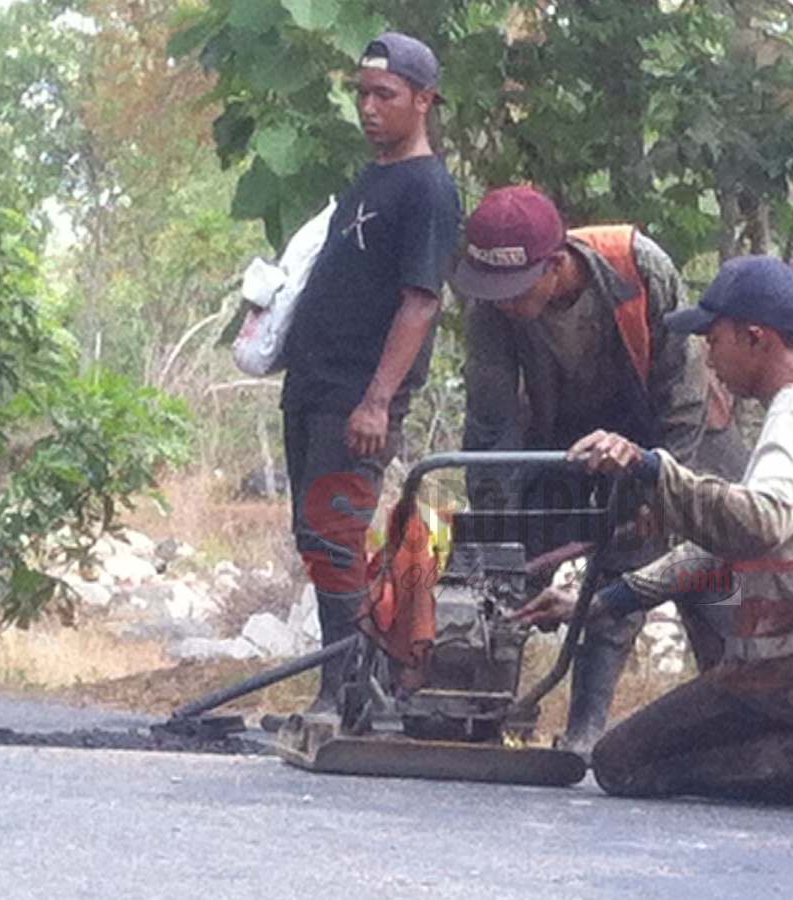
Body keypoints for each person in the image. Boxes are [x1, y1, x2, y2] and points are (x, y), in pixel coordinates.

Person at [509, 255, 793, 814]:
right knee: (706, 608)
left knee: (619, 763)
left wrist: (653, 471)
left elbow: (759, 522)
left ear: (754, 337)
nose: (707, 357)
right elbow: (714, 553)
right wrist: (593, 602)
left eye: (714, 339)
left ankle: (791, 760)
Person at [451, 186, 749, 752]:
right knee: (497, 567)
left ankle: (725, 725)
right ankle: (478, 711)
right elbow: (490, 423)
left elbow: (681, 397)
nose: (503, 303)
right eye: (492, 292)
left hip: (670, 428)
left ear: (557, 264)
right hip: (563, 436)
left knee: (705, 571)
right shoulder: (491, 303)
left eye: (515, 291)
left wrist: (662, 490)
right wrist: (500, 529)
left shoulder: (638, 267)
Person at [279, 32, 461, 712]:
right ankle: (350, 685)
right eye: (362, 93)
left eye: (385, 95)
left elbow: (420, 301)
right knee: (316, 535)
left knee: (337, 531)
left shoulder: (428, 188)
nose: (368, 107)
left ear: (423, 99)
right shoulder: (371, 178)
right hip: (314, 385)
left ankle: (346, 693)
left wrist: (377, 399)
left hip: (357, 396)